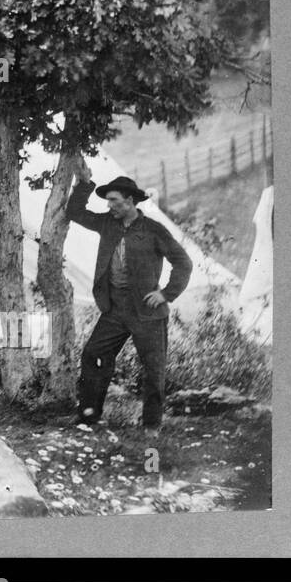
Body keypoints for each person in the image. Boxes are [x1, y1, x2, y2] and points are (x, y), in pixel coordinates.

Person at [68, 167, 192, 434]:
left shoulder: (153, 230)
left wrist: (166, 294)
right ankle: (89, 415)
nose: (109, 205)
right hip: (114, 309)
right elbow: (75, 212)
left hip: (147, 311)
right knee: (93, 354)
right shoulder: (107, 223)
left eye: (114, 200)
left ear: (131, 201)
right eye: (108, 200)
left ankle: (151, 425)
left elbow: (183, 262)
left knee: (153, 369)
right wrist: (85, 183)